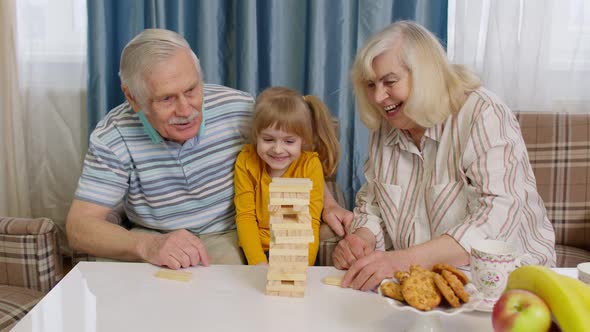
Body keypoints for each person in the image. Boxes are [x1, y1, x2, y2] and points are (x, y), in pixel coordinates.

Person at [323, 21, 556, 290]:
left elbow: (496, 220)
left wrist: (399, 260)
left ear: (425, 74)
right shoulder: (387, 125)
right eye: (370, 84)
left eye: (389, 81)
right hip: (421, 281)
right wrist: (362, 239)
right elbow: (373, 204)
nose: (377, 96)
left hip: (508, 282)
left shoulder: (482, 112)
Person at [66, 29, 255, 269]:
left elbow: (297, 147)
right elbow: (78, 228)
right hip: (153, 234)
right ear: (132, 97)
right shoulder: (112, 137)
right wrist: (148, 245)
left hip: (226, 232)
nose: (186, 111)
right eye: (166, 99)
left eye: (191, 90)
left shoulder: (240, 109)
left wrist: (318, 186)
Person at [234, 87, 340, 266]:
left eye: (289, 141)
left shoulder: (310, 165)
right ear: (256, 136)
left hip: (296, 251)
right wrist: (258, 263)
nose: (277, 149)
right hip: (257, 252)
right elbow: (245, 217)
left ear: (303, 140)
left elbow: (311, 221)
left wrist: (302, 265)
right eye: (268, 140)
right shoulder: (246, 161)